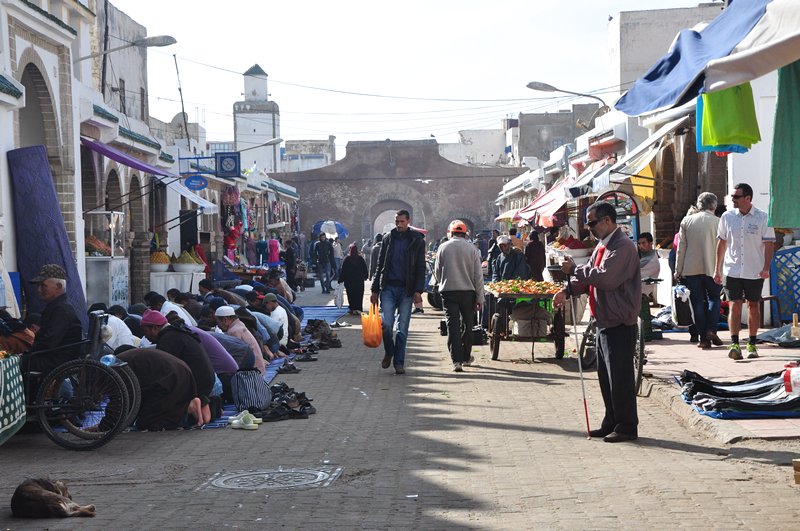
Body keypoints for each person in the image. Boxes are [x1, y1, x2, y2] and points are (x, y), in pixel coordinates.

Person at [554, 201, 641, 443]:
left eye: (592, 223)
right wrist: (568, 290)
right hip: (604, 318)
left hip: (619, 320)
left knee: (620, 377)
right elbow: (590, 274)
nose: (589, 227)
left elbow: (606, 279)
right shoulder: (602, 246)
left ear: (607, 221)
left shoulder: (622, 246)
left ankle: (626, 425)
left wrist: (574, 271)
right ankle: (611, 420)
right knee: (606, 376)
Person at [714, 183, 776, 360]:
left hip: (754, 269)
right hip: (732, 269)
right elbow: (722, 243)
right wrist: (717, 269)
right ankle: (734, 343)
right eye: (732, 196)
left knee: (753, 306)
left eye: (736, 197)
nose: (732, 199)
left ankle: (752, 343)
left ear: (748, 198)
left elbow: (769, 244)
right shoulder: (727, 217)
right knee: (734, 305)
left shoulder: (763, 217)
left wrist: (766, 267)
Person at [370, 209, 426, 374]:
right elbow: (380, 265)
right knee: (386, 324)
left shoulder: (417, 240)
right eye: (397, 222)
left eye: (402, 222)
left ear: (408, 221)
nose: (399, 225)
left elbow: (421, 267)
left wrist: (418, 290)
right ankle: (389, 350)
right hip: (388, 287)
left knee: (402, 328)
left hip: (406, 290)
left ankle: (399, 362)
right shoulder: (388, 239)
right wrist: (374, 289)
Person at [139, 309, 215, 424]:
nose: (145, 337)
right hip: (205, 382)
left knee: (148, 417)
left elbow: (163, 374)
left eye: (146, 332)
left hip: (197, 385)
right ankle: (207, 405)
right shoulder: (176, 333)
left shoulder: (168, 339)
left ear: (155, 328)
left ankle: (191, 406)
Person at [434, 220, 484, 372]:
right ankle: (466, 357)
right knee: (468, 325)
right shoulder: (472, 249)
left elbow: (437, 271)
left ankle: (457, 361)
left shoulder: (443, 247)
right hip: (468, 293)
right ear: (465, 234)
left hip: (448, 291)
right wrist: (480, 297)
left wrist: (442, 282)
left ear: (451, 233)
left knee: (452, 326)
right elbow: (478, 275)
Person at [675, 192, 723, 350]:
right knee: (714, 299)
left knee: (697, 302)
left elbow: (681, 248)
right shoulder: (719, 222)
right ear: (713, 206)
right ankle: (711, 330)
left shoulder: (687, 221)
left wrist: (678, 270)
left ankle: (703, 339)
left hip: (691, 268)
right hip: (713, 268)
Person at [115, 347, 204, 430]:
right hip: (177, 371)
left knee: (148, 422)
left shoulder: (115, 371)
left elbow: (125, 399)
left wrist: (108, 425)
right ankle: (193, 406)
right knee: (158, 408)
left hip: (171, 376)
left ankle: (188, 409)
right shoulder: (121, 362)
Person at [20, 264, 83, 376]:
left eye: (43, 286)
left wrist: (25, 350)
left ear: (58, 286)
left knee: (18, 363)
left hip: (57, 361)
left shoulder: (61, 309)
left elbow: (49, 342)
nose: (39, 290)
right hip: (54, 357)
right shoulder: (57, 306)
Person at [214, 306, 267, 373]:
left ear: (225, 320)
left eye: (218, 322)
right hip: (259, 368)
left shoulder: (234, 331)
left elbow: (236, 356)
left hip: (254, 372)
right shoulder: (239, 324)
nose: (218, 326)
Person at [339, 243, 369, 315]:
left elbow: (343, 271)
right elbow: (365, 269)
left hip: (349, 282)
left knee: (351, 295)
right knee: (359, 295)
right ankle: (358, 308)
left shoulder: (347, 259)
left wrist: (340, 279)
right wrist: (366, 276)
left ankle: (352, 308)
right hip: (359, 281)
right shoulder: (360, 259)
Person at [637, 232, 660, 299]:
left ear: (650, 243)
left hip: (638, 295)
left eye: (643, 243)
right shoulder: (647, 257)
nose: (641, 246)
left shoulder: (650, 260)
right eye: (639, 244)